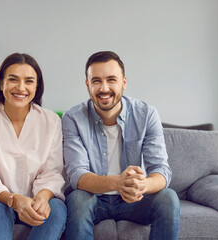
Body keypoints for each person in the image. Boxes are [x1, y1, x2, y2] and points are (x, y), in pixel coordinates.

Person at [63, 51, 180, 240]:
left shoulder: (146, 114)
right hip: (94, 198)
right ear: (87, 85)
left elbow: (161, 170)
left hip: (135, 200)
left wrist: (142, 185)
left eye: (111, 80)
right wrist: (118, 182)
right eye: (96, 81)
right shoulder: (73, 118)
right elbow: (77, 175)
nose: (104, 88)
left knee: (168, 198)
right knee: (77, 199)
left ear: (123, 82)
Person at [0, 53, 67, 240]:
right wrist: (14, 200)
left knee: (57, 209)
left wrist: (42, 198)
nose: (21, 88)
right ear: (1, 83)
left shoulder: (51, 121)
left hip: (35, 200)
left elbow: (52, 172)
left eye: (29, 81)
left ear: (37, 86)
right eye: (13, 80)